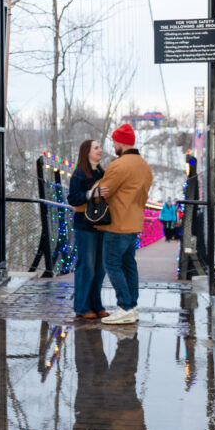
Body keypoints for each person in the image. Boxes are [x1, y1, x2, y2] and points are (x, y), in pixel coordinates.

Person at [94, 123, 153, 325]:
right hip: (135, 222)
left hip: (117, 223)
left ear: (121, 142)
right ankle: (132, 306)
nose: (113, 145)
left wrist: (91, 191)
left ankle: (125, 306)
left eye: (114, 141)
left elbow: (103, 191)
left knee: (111, 264)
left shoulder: (119, 165)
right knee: (129, 265)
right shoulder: (144, 165)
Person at [67, 140, 108, 319]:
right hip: (85, 226)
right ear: (87, 152)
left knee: (100, 268)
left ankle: (96, 305)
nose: (100, 150)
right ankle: (82, 307)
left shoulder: (101, 172)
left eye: (100, 147)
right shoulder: (79, 174)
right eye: (96, 148)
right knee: (87, 267)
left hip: (102, 224)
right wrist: (91, 194)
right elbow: (73, 199)